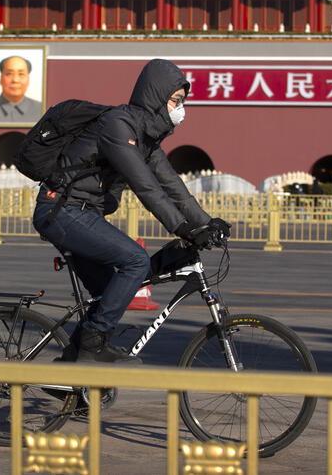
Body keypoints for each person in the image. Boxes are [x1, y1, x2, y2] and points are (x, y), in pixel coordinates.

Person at [32, 58, 230, 364]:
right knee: (135, 261)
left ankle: (68, 377)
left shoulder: (145, 139)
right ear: (156, 98)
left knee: (108, 293)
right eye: (176, 101)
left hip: (83, 214)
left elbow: (172, 185)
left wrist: (206, 222)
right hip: (62, 211)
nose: (180, 109)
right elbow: (145, 186)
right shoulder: (117, 126)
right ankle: (93, 345)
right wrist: (182, 228)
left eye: (183, 101)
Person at [0, 55, 43, 123]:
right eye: (9, 74)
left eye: (21, 74)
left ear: (28, 79)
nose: (15, 80)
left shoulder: (41, 109)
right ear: (1, 78)